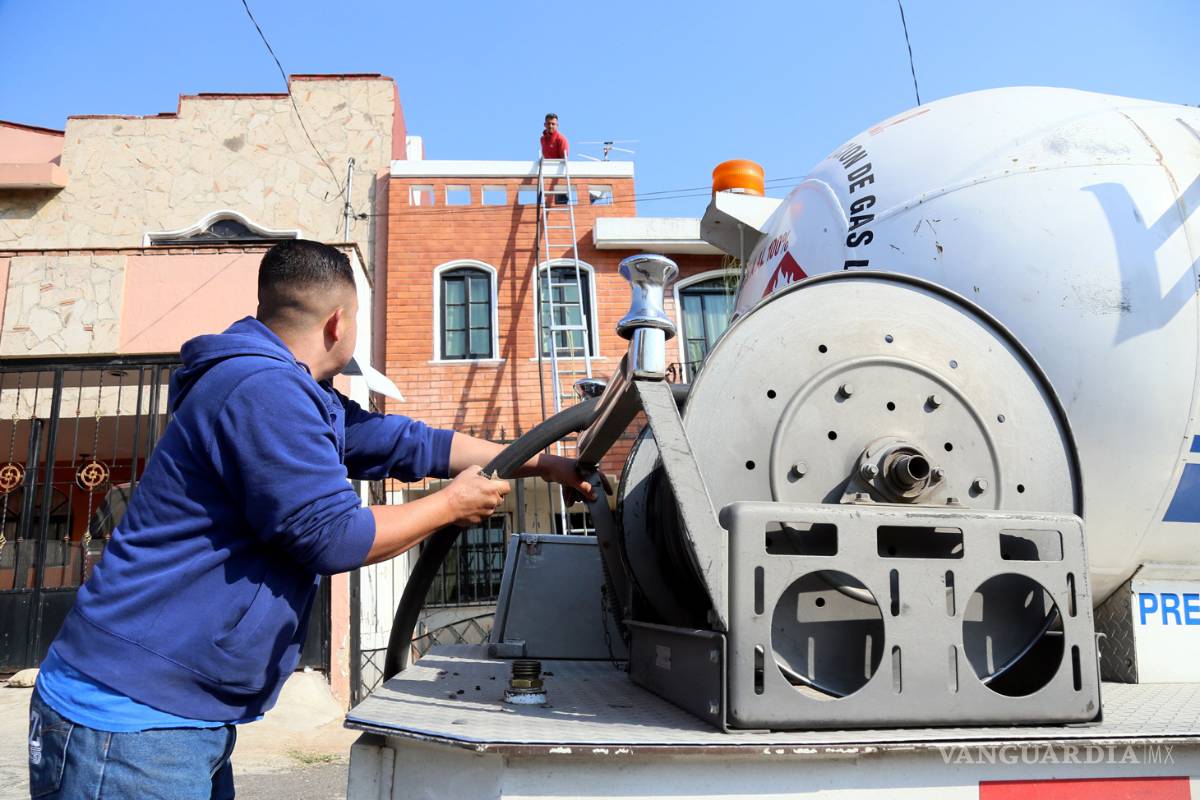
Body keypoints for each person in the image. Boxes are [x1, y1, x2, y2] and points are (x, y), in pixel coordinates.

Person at [27, 240, 594, 799]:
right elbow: (333, 537)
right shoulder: (262, 389)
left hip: (170, 714)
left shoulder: (293, 391)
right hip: (129, 722)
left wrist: (542, 463)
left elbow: (407, 442)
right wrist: (451, 505)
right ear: (338, 323)